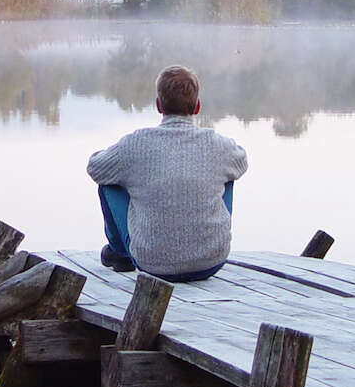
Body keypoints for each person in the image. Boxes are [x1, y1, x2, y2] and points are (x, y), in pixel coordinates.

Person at [87, 65, 247, 282]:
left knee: (109, 182)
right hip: (211, 262)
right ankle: (208, 241)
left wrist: (129, 171)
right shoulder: (217, 144)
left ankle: (120, 254)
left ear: (158, 105)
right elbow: (241, 162)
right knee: (228, 175)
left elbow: (96, 168)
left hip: (153, 265)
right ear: (197, 106)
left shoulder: (136, 143)